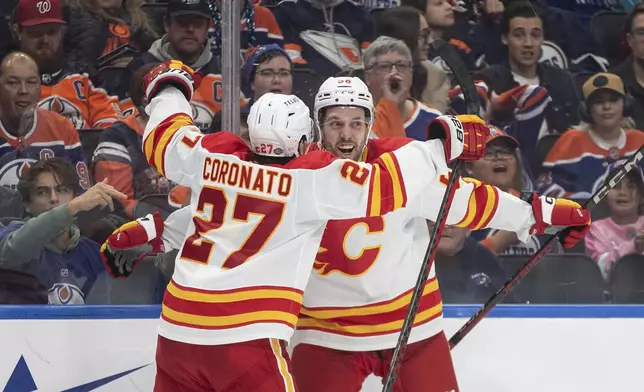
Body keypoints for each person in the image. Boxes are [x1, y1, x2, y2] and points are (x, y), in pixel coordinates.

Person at [110, 75, 592, 392]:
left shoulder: (375, 163)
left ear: (368, 126)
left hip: (411, 327)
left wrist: (538, 214)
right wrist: (153, 230)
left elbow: (468, 201)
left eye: (357, 123)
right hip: (325, 333)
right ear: (314, 131)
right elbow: (216, 218)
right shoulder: (317, 175)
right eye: (335, 123)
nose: (346, 135)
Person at [0, 158, 123, 304]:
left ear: (75, 197)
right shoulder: (10, 235)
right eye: (42, 192)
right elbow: (11, 253)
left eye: (62, 190)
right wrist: (69, 209)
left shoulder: (94, 254)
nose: (54, 198)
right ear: (28, 205)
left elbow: (100, 319)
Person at [14, 0, 124, 129]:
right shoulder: (6, 82)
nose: (45, 40)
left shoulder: (87, 78)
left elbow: (111, 127)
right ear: (18, 33)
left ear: (62, 31)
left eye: (51, 32)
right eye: (36, 33)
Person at [541, 73, 644, 198]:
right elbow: (546, 189)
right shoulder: (572, 140)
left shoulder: (640, 141)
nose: (607, 107)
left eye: (613, 100)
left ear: (626, 104)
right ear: (586, 109)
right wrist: (579, 201)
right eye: (598, 102)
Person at [0, 52, 90, 190]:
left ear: (40, 88)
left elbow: (81, 194)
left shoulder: (62, 127)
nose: (23, 90)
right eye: (13, 82)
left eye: (31, 82)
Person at [586, 163, 644, 280]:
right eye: (616, 186)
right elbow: (601, 270)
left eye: (631, 186)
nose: (622, 192)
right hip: (612, 296)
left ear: (642, 197)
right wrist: (634, 246)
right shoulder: (596, 229)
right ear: (605, 196)